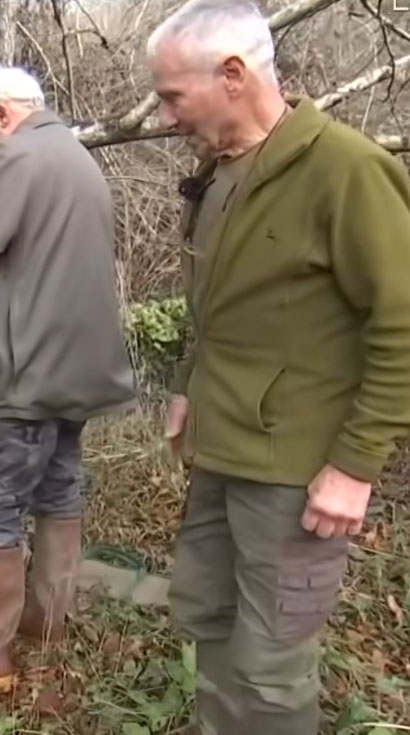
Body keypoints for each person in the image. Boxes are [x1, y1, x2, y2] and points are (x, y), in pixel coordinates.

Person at [146, 1, 410, 732]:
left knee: (272, 667)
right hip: (221, 446)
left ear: (233, 74)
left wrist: (355, 465)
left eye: (173, 95)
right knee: (209, 617)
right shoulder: (220, 172)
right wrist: (183, 387)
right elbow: (216, 303)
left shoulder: (346, 170)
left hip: (294, 471)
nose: (165, 115)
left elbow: (401, 322)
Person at [0, 66, 138, 692]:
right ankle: (47, 619)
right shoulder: (79, 160)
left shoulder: (15, 159)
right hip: (78, 367)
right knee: (59, 485)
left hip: (23, 369)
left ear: (4, 114)